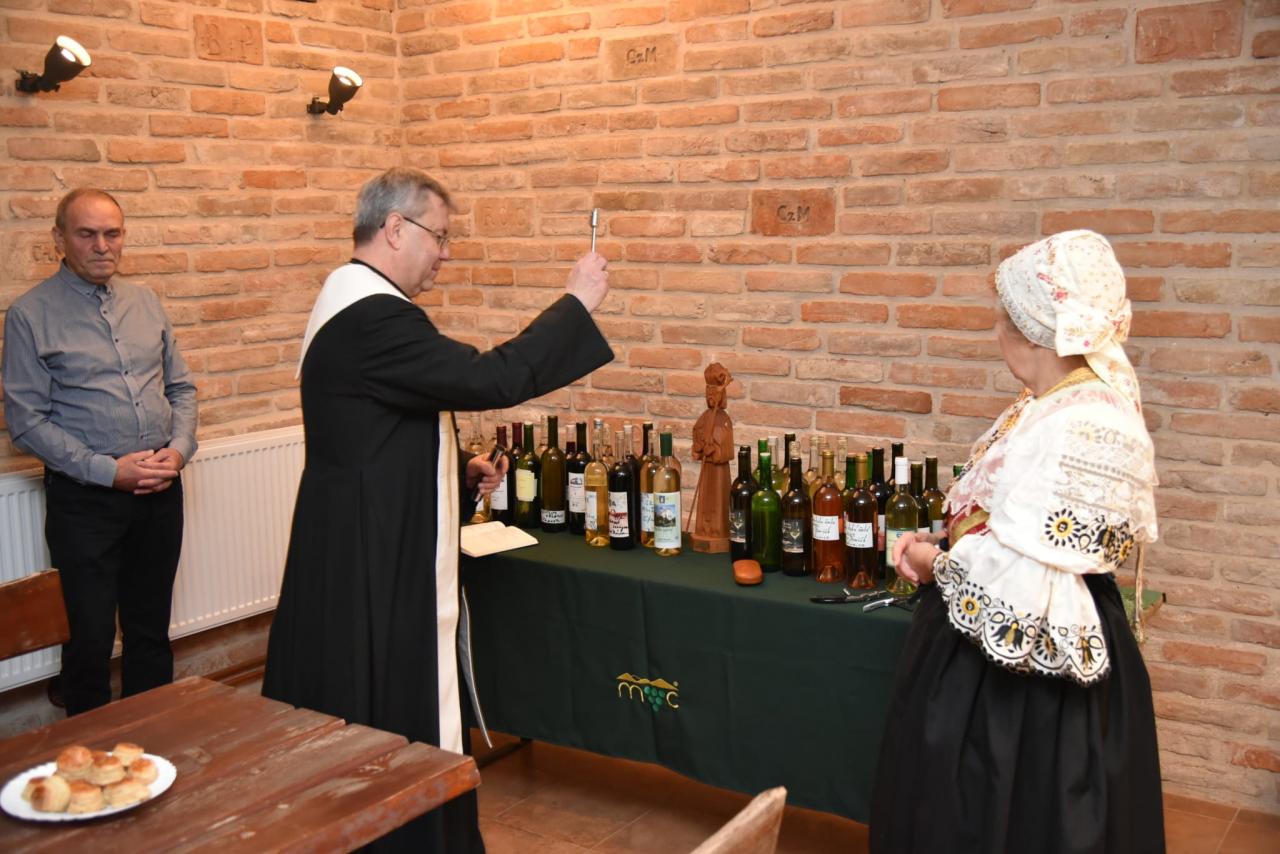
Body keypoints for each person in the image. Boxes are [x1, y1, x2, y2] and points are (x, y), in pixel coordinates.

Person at [261, 168, 613, 852]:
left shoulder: (349, 301)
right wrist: (576, 303)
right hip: (372, 563)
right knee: (387, 718)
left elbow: (377, 430)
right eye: (441, 237)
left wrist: (454, 469)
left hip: (357, 542)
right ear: (395, 228)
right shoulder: (372, 315)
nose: (445, 254)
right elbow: (489, 377)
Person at [870, 230, 1164, 853]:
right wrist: (950, 535)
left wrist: (933, 561)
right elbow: (1014, 524)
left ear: (1031, 330)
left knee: (1008, 817)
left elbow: (1035, 574)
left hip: (1028, 676)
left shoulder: (1085, 421)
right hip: (991, 637)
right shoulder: (1047, 403)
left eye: (1002, 317)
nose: (996, 330)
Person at [2, 188, 197, 716]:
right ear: (59, 238)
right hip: (86, 502)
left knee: (150, 631)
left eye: (112, 233)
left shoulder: (146, 302)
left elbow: (181, 388)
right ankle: (89, 754)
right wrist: (109, 472)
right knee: (88, 640)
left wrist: (179, 451)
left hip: (160, 491)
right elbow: (27, 422)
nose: (102, 246)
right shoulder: (30, 315)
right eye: (87, 234)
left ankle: (152, 740)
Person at [689, 362, 733, 552]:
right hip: (707, 469)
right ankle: (703, 529)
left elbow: (726, 443)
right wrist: (699, 446)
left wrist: (714, 448)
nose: (710, 397)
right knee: (705, 499)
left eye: (714, 393)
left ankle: (717, 530)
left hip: (718, 471)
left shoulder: (724, 419)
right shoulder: (705, 416)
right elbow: (697, 431)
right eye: (708, 394)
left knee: (717, 498)